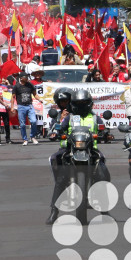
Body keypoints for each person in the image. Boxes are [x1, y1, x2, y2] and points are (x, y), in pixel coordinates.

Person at [45, 89, 111, 224]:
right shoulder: (69, 117)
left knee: (103, 174)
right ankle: (54, 211)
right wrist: (55, 132)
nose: (81, 106)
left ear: (89, 103)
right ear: (73, 104)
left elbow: (103, 128)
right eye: (78, 103)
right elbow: (59, 128)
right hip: (69, 150)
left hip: (91, 151)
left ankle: (105, 212)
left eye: (84, 103)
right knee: (61, 180)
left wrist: (106, 134)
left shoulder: (94, 117)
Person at [11, 72, 42, 145]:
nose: (27, 78)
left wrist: (40, 99)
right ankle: (25, 139)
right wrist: (12, 107)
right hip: (21, 106)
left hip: (30, 106)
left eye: (27, 77)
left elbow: (35, 94)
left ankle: (32, 136)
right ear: (21, 78)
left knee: (34, 121)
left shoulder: (30, 85)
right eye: (25, 77)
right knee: (22, 124)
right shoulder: (16, 86)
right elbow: (13, 97)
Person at [0, 74, 12, 144]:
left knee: (7, 124)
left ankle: (8, 138)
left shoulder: (4, 87)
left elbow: (9, 96)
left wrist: (7, 91)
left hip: (4, 108)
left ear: (0, 79)